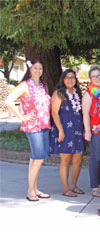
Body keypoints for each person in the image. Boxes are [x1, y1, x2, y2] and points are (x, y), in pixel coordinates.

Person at [5, 59, 51, 201]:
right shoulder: (25, 85)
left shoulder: (42, 86)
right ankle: (30, 191)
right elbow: (8, 100)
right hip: (33, 126)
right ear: (30, 70)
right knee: (38, 158)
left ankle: (35, 188)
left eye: (40, 68)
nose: (38, 71)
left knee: (36, 159)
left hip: (44, 125)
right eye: (35, 68)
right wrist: (22, 117)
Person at [50, 69, 85, 197]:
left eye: (73, 77)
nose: (70, 80)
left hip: (77, 130)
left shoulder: (78, 93)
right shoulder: (58, 93)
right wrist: (60, 130)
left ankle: (74, 186)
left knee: (78, 159)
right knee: (65, 159)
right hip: (64, 130)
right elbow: (54, 113)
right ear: (63, 80)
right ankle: (66, 188)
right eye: (67, 77)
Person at [82, 65, 100, 197]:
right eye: (94, 76)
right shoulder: (89, 94)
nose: (97, 78)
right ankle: (95, 187)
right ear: (90, 79)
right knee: (96, 158)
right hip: (95, 130)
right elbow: (85, 114)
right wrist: (87, 131)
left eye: (99, 75)